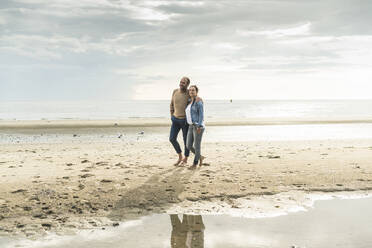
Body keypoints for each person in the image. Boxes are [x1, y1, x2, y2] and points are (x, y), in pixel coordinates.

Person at [169, 77, 191, 166]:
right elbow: (171, 104)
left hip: (185, 121)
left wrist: (199, 99)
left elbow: (195, 99)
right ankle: (180, 156)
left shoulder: (189, 93)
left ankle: (185, 159)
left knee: (186, 140)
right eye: (181, 82)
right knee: (172, 139)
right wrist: (171, 115)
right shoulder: (175, 91)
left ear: (187, 84)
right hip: (175, 119)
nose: (181, 83)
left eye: (184, 83)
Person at [185, 85, 205, 170]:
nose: (191, 92)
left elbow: (201, 115)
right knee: (188, 145)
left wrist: (199, 126)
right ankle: (200, 156)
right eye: (190, 90)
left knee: (197, 146)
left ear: (196, 91)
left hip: (197, 126)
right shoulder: (190, 101)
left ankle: (195, 163)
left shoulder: (198, 101)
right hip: (190, 126)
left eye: (193, 90)